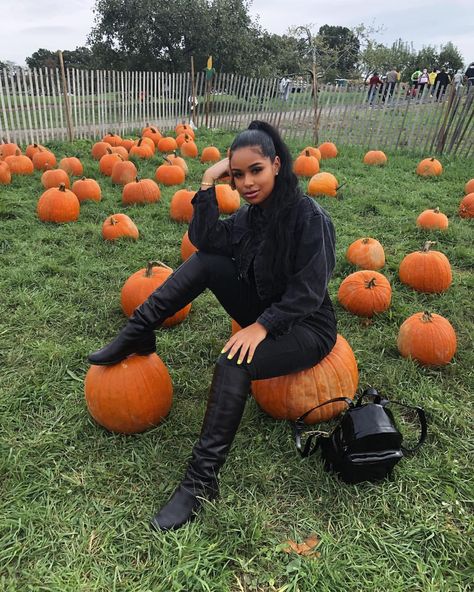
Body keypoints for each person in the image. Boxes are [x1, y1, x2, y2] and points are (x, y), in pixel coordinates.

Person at [88, 121, 337, 531]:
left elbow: (309, 292)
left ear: (276, 164)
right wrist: (206, 182)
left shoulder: (309, 217)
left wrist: (263, 326)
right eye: (237, 175)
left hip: (306, 327)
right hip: (265, 309)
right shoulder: (252, 216)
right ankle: (139, 329)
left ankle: (201, 480)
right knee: (207, 262)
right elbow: (205, 240)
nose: (246, 183)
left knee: (232, 363)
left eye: (255, 170)